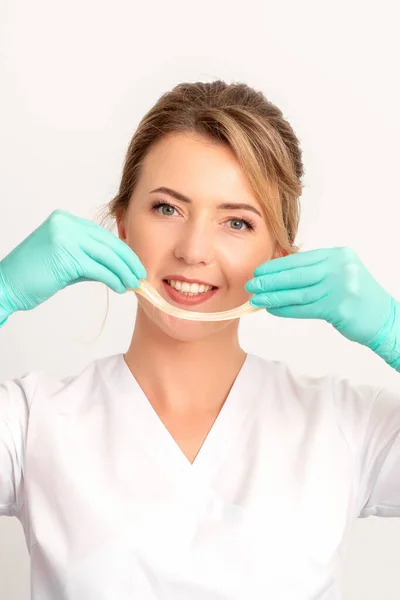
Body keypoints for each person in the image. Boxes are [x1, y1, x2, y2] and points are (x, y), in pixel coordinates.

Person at [0, 80, 399, 600]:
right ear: (121, 225)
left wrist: (394, 328)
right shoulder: (31, 423)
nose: (193, 250)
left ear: (278, 254)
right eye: (167, 208)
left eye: (236, 221)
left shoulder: (348, 425)